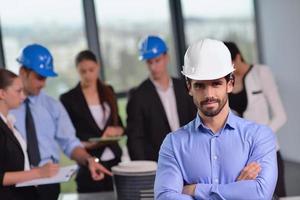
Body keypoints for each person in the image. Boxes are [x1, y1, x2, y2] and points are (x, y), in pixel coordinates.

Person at [154, 39, 277, 199]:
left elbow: (260, 193)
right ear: (189, 87)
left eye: (216, 84)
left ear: (230, 83)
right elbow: (165, 197)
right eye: (200, 86)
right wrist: (236, 191)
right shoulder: (173, 144)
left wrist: (195, 190)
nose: (209, 94)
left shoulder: (259, 137)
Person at [10, 44, 112, 200]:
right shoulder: (7, 108)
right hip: (16, 183)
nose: (43, 83)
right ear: (23, 72)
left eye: (45, 78)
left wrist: (89, 159)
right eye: (39, 77)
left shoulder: (53, 106)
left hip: (48, 183)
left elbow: (70, 143)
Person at [224, 41, 287, 197]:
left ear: (238, 57)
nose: (229, 69)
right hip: (241, 155)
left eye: (230, 64)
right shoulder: (226, 82)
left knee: (275, 195)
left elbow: (281, 116)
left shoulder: (261, 73)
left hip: (267, 151)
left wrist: (260, 137)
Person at [60, 50, 123, 193]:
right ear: (77, 71)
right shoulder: (68, 99)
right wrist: (89, 144)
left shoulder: (108, 91)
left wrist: (116, 131)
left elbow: (119, 124)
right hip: (88, 162)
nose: (88, 75)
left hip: (115, 159)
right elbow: (68, 136)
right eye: (83, 71)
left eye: (91, 70)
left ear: (98, 67)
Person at [126, 35, 196, 161]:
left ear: (166, 57)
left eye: (157, 61)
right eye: (149, 62)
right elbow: (135, 140)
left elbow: (197, 121)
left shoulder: (184, 87)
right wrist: (144, 171)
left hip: (190, 156)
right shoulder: (138, 96)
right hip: (158, 163)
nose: (153, 67)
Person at [0, 69, 59, 200]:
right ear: (2, 93)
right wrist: (38, 172)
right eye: (18, 91)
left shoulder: (9, 120)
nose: (23, 96)